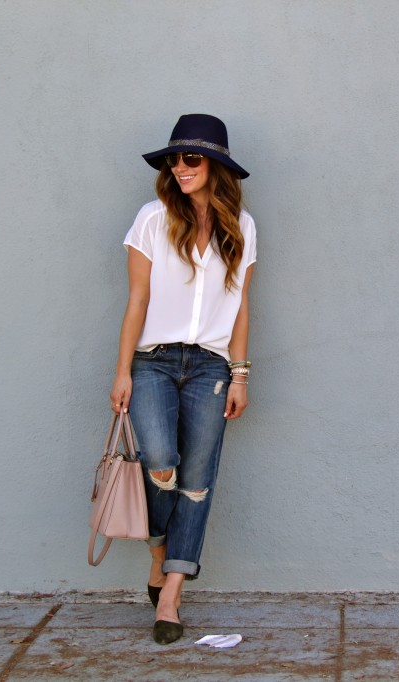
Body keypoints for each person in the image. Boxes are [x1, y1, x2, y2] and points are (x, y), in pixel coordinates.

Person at [109, 114, 256, 645]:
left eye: (191, 159)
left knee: (197, 480)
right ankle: (157, 553)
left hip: (211, 369)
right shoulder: (151, 218)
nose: (180, 167)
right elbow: (138, 300)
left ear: (215, 166)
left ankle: (170, 592)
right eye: (174, 159)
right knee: (160, 463)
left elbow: (240, 308)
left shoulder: (241, 226)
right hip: (154, 361)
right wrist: (123, 370)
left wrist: (239, 374)